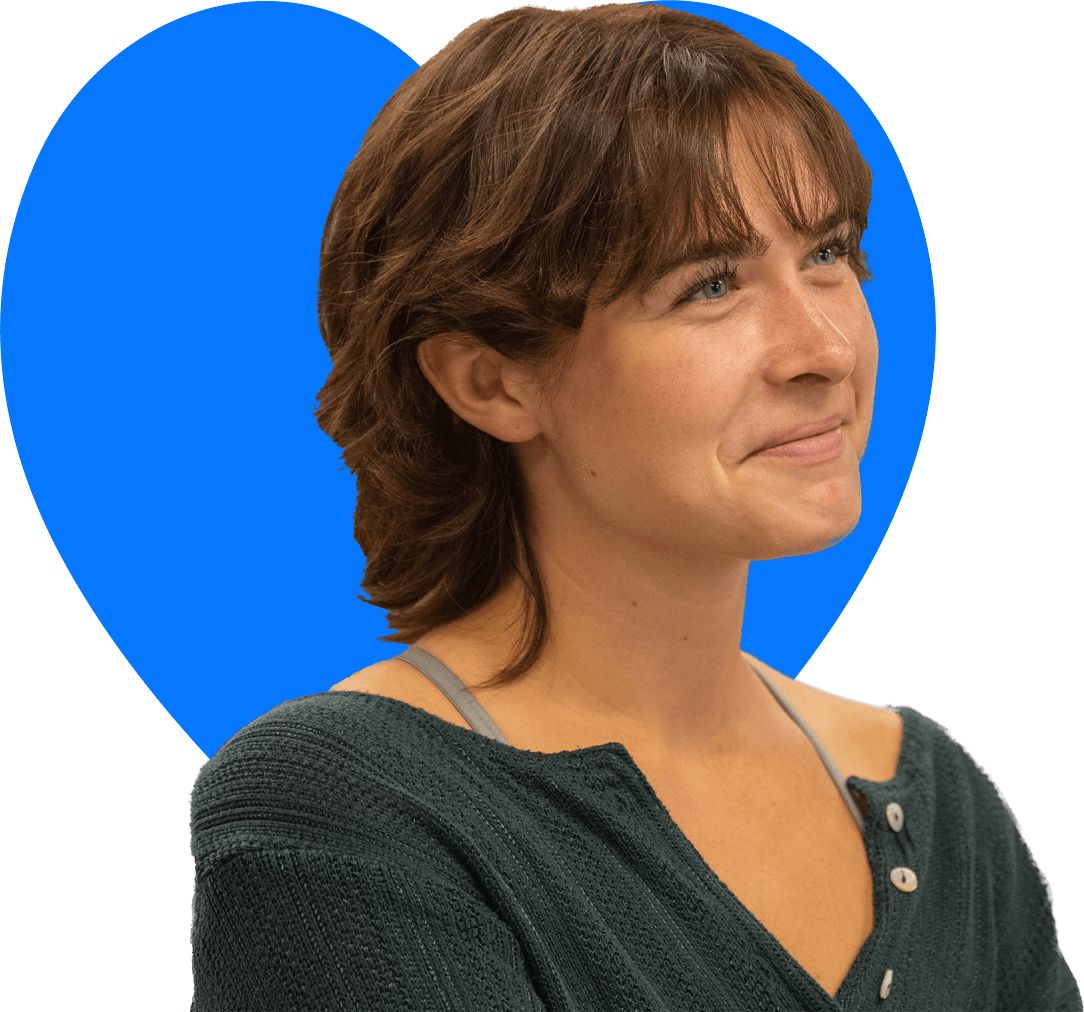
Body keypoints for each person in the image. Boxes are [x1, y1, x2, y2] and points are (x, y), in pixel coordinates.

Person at [189, 6, 1080, 1009]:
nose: (826, 349)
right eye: (709, 283)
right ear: (490, 381)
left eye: (828, 253)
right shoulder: (347, 807)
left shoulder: (939, 798)